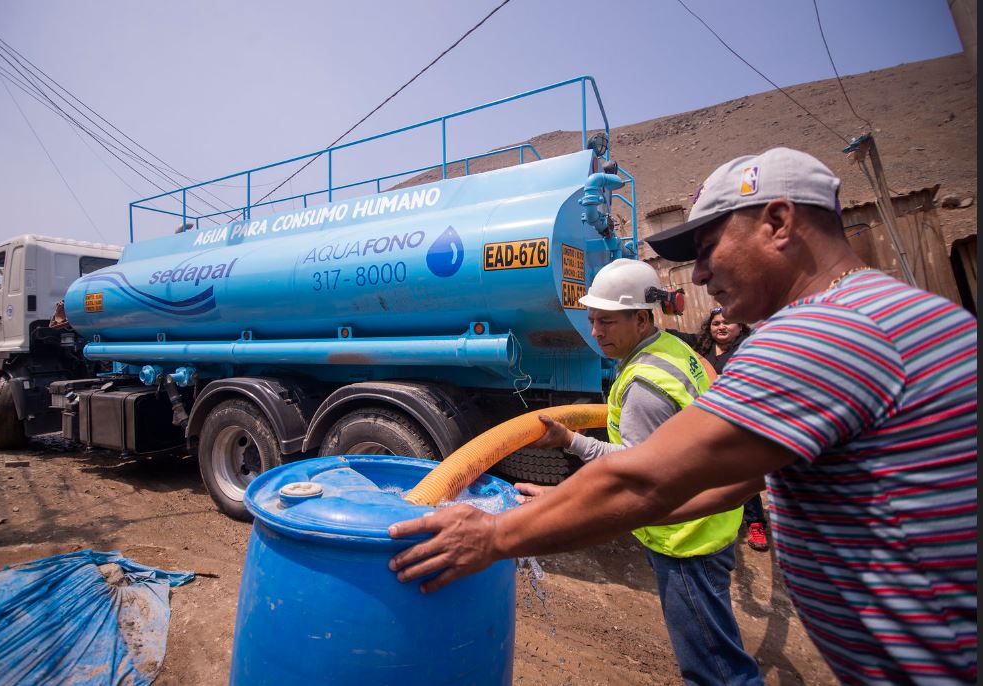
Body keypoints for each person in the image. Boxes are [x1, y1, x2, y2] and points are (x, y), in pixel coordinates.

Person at [388, 148, 977, 684]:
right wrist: (588, 503)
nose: (696, 276)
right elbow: (736, 477)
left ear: (777, 223)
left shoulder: (821, 335)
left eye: (707, 248)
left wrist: (494, 535)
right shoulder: (886, 311)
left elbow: (645, 478)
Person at [517, 258, 762, 686]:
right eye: (592, 320)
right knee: (717, 648)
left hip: (685, 539)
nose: (596, 333)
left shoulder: (644, 385)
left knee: (716, 670)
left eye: (608, 322)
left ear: (642, 318)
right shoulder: (674, 350)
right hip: (709, 525)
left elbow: (634, 469)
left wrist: (572, 449)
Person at [670, 308, 770, 552]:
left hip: (738, 421)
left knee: (739, 474)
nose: (721, 327)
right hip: (708, 420)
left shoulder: (749, 350)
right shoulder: (705, 347)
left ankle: (756, 523)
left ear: (740, 326)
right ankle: (714, 516)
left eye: (728, 322)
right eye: (716, 323)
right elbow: (677, 336)